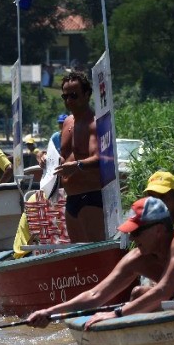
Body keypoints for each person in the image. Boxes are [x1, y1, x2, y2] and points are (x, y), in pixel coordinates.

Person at [25, 196, 174, 330]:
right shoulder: (137, 258)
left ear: (160, 230)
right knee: (137, 294)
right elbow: (96, 295)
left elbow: (164, 290)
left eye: (138, 232)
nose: (133, 239)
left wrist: (116, 315)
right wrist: (50, 311)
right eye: (131, 233)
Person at [56, 70, 104, 242]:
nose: (69, 101)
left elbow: (99, 158)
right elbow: (64, 157)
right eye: (65, 96)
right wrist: (46, 159)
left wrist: (76, 166)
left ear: (87, 94)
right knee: (78, 255)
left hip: (90, 196)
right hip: (71, 198)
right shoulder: (67, 122)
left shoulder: (95, 123)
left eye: (74, 96)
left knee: (95, 253)